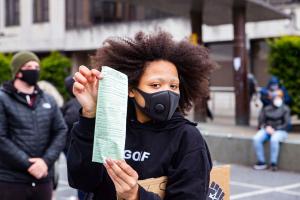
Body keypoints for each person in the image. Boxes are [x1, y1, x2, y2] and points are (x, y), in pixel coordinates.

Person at [67, 31, 214, 200]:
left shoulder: (187, 138)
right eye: (156, 85)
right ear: (130, 89)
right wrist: (90, 115)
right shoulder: (112, 126)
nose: (167, 92)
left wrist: (136, 196)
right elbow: (82, 181)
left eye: (173, 86)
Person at [0, 51, 67, 200]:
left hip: (43, 179)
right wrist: (28, 164)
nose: (34, 69)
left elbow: (61, 130)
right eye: (29, 66)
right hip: (11, 181)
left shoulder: (48, 99)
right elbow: (1, 137)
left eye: (36, 66)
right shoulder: (3, 98)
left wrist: (45, 162)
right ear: (18, 72)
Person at [253, 92, 290, 171]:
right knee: (256, 138)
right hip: (267, 129)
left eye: (279, 97)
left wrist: (275, 129)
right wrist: (266, 127)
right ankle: (261, 161)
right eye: (276, 97)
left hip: (281, 130)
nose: (277, 99)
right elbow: (261, 121)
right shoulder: (266, 109)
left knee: (274, 139)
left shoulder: (285, 109)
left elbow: (286, 124)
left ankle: (273, 163)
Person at [61, 75, 85, 200]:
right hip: (72, 145)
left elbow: (65, 124)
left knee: (81, 177)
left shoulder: (73, 103)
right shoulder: (75, 103)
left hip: (74, 146)